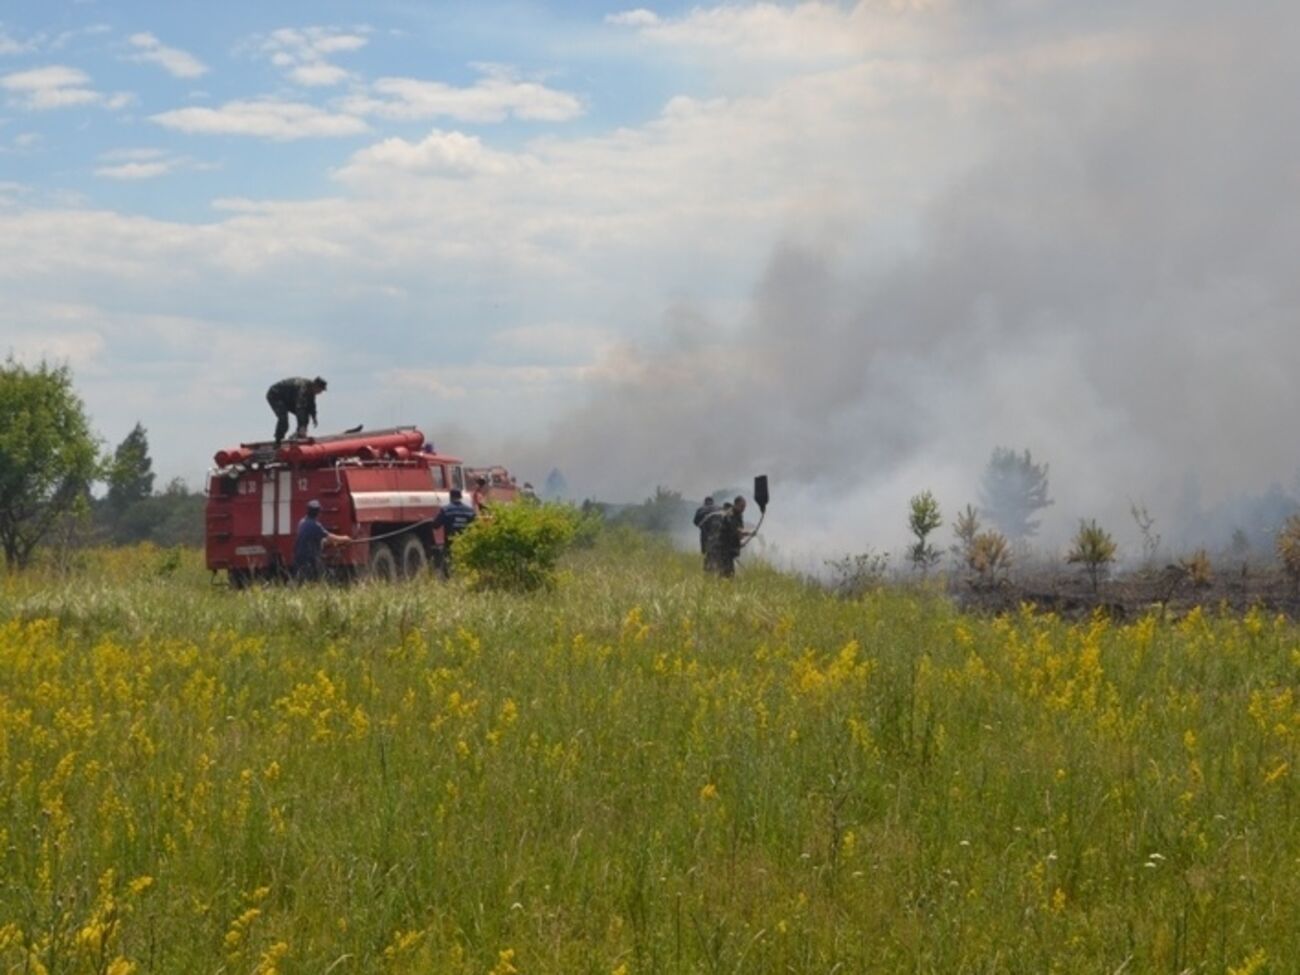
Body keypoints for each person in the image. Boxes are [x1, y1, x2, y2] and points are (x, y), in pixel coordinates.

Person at [292, 499, 349, 582]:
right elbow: (330, 536)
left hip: (298, 556)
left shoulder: (302, 522)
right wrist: (345, 538)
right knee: (317, 578)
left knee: (300, 580)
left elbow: (314, 538)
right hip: (309, 559)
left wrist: (330, 543)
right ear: (318, 513)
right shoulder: (315, 525)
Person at [266, 376, 327, 447]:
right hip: (275, 395)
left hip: (288, 399)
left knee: (305, 412)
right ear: (315, 386)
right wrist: (302, 426)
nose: (320, 392)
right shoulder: (302, 388)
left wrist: (314, 417)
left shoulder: (311, 390)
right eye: (320, 390)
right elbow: (300, 408)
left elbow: (311, 405)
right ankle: (278, 441)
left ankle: (300, 434)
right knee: (284, 419)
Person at [430, 487, 477, 578]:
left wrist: (431, 521)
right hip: (466, 543)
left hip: (450, 544)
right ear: (460, 497)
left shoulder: (446, 510)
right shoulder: (470, 511)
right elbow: (475, 526)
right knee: (465, 563)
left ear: (450, 497)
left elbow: (436, 525)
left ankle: (450, 580)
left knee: (449, 565)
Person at [710, 496, 752, 578]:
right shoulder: (730, 515)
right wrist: (749, 533)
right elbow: (736, 531)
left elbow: (739, 532)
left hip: (729, 550)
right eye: (742, 506)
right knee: (726, 575)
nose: (744, 509)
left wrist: (740, 540)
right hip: (722, 550)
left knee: (727, 574)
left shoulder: (738, 515)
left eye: (745, 507)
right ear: (736, 504)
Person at [693, 496, 722, 567]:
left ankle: (708, 569)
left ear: (705, 503)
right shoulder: (719, 508)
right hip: (719, 536)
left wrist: (702, 526)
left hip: (705, 535)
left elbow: (695, 522)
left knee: (706, 553)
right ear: (713, 502)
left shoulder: (700, 509)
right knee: (719, 553)